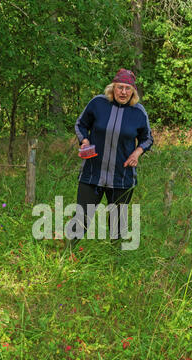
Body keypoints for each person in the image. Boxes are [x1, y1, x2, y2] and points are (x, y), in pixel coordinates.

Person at [69, 68, 153, 246]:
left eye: (128, 89)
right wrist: (84, 140)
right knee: (82, 216)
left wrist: (137, 153)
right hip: (92, 173)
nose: (123, 92)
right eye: (120, 87)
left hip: (121, 176)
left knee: (117, 222)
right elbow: (80, 124)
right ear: (112, 88)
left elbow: (148, 139)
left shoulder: (138, 112)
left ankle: (116, 260)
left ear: (133, 92)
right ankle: (66, 254)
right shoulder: (98, 103)